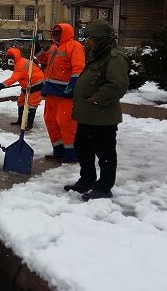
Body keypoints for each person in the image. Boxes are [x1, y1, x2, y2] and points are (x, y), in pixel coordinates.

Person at [64, 19, 129, 200]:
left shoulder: (114, 57)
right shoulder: (98, 54)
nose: (87, 42)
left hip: (102, 117)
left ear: (100, 38)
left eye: (90, 38)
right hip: (87, 116)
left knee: (105, 153)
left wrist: (96, 99)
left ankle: (103, 187)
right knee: (83, 148)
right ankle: (87, 180)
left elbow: (118, 85)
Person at [36, 23, 85, 163]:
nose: (56, 35)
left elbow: (78, 67)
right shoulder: (53, 48)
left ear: (65, 33)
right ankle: (59, 150)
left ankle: (71, 153)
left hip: (65, 94)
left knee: (66, 123)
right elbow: (45, 60)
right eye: (54, 33)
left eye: (58, 33)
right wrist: (37, 49)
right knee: (51, 121)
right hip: (51, 92)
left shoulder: (74, 46)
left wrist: (73, 85)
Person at [0, 47, 45, 130]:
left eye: (11, 58)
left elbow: (14, 78)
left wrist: (0, 85)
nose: (9, 60)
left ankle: (29, 125)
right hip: (27, 85)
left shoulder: (21, 64)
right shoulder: (18, 62)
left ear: (15, 57)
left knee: (32, 105)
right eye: (8, 58)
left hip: (37, 84)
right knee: (21, 102)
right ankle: (20, 121)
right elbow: (21, 76)